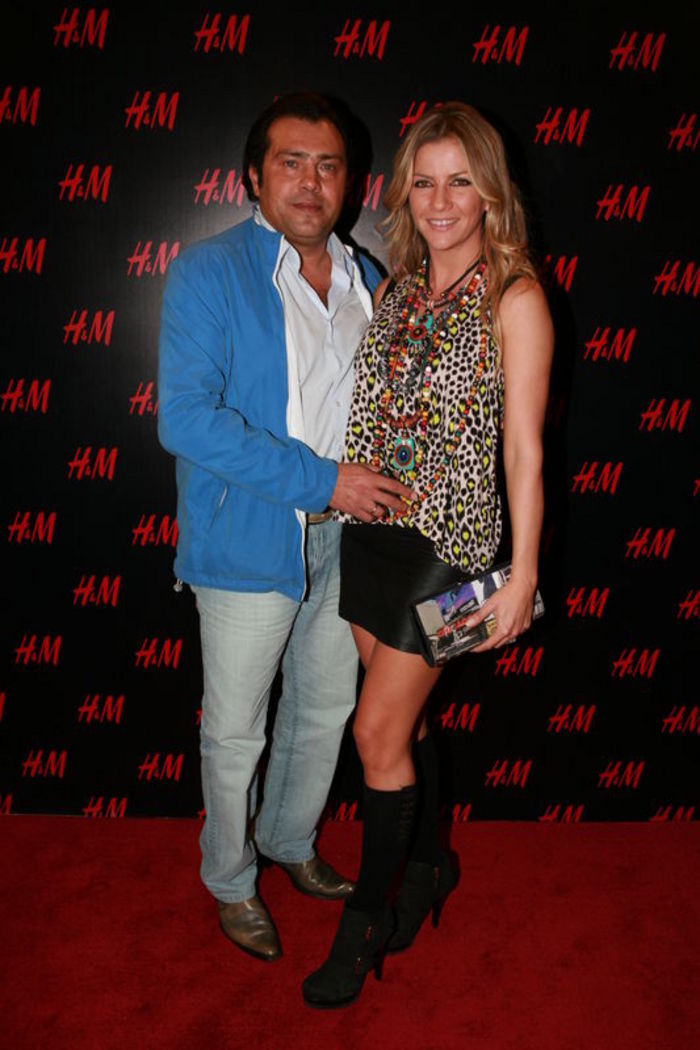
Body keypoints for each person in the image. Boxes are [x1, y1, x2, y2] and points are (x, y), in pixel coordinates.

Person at [302, 102, 554, 1007]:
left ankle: (366, 923)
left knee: (375, 733)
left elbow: (524, 450)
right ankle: (431, 865)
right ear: (405, 191)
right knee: (402, 729)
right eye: (424, 181)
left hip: (450, 555)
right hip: (372, 540)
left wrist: (523, 575)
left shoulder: (515, 299)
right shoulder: (397, 289)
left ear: (490, 193)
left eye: (460, 182)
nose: (441, 200)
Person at [157, 92, 412, 962]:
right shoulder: (208, 271)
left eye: (329, 165)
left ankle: (290, 840)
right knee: (235, 732)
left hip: (348, 541)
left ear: (351, 182)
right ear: (254, 177)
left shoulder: (367, 278)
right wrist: (326, 480)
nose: (311, 182)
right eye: (291, 163)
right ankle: (231, 880)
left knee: (325, 709)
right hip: (249, 537)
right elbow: (187, 420)